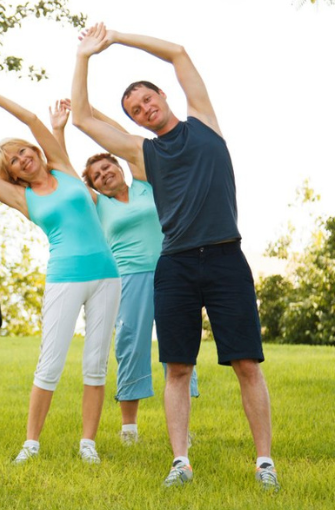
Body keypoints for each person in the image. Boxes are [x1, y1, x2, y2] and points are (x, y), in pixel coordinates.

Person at [71, 23, 278, 491]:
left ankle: (265, 463)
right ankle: (180, 462)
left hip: (226, 258)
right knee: (178, 366)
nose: (144, 110)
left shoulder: (203, 121)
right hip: (176, 264)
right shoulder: (143, 153)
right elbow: (82, 117)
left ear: (162, 96)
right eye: (135, 111)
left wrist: (119, 38)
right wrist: (85, 56)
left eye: (147, 100)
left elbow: (179, 52)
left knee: (246, 362)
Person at [0, 92, 120, 465]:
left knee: (96, 363)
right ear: (12, 173)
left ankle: (87, 443)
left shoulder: (62, 166)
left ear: (35, 150)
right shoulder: (22, 197)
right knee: (50, 362)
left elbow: (30, 117)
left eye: (23, 151)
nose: (23, 159)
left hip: (108, 275)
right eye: (13, 160)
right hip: (65, 278)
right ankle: (31, 443)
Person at [50, 99, 201, 445]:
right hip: (128, 279)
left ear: (119, 167)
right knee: (131, 345)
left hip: (171, 269)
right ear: (95, 185)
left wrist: (89, 113)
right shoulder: (96, 204)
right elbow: (62, 171)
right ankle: (128, 428)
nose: (105, 174)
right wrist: (58, 129)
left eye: (108, 167)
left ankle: (182, 428)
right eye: (98, 175)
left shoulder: (147, 184)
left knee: (177, 344)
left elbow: (124, 139)